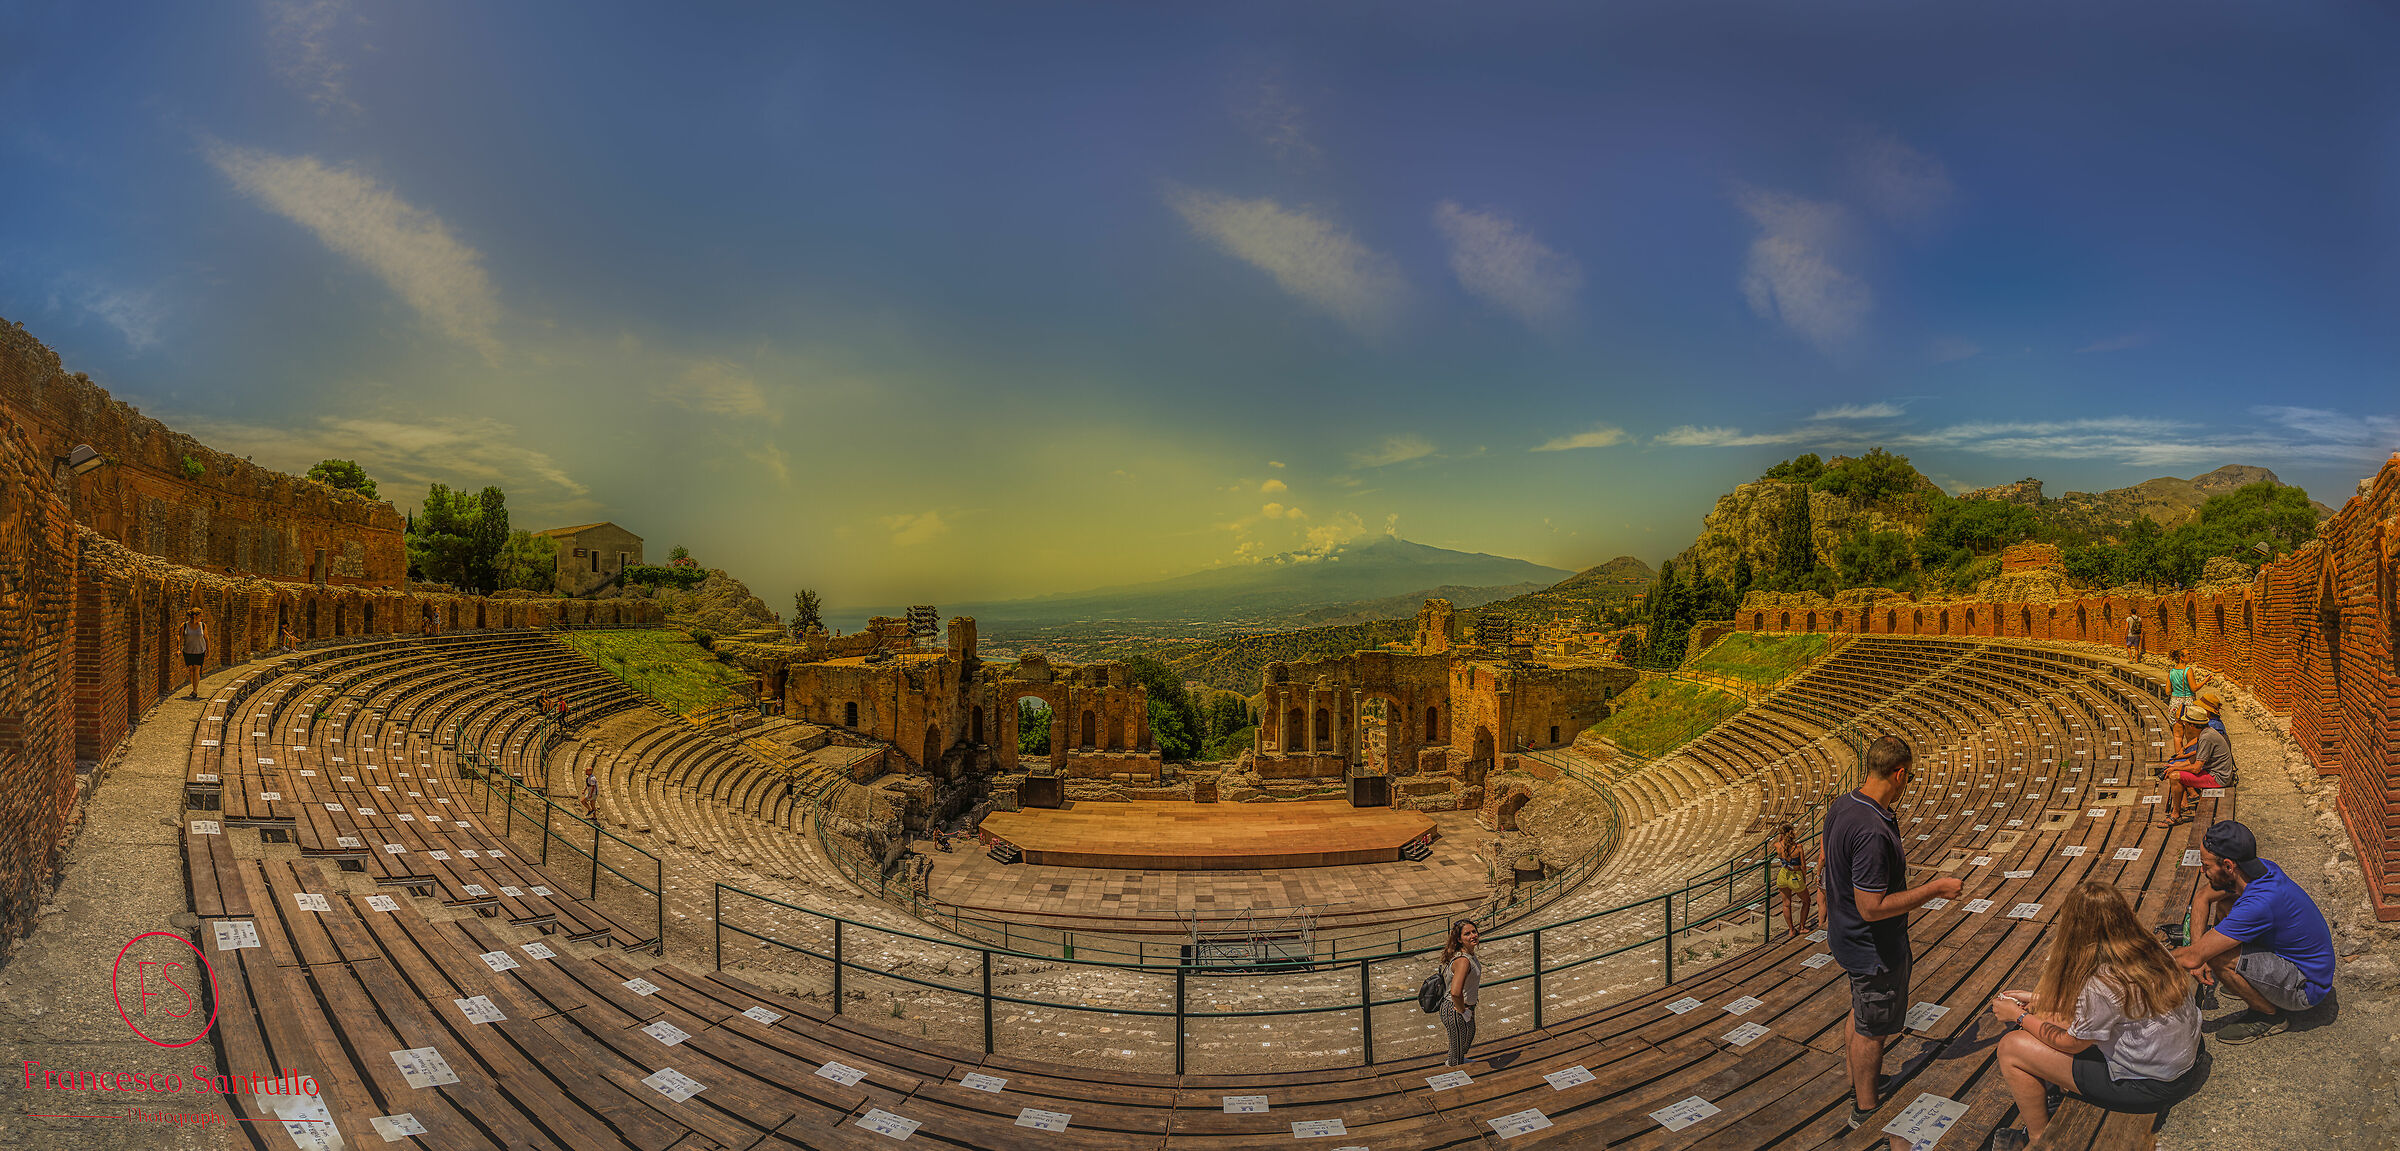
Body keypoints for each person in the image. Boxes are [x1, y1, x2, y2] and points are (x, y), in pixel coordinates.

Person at [1986, 881, 2207, 1149]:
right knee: (2046, 1015)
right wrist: (2037, 1000)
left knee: (2011, 1048)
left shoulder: (2101, 981)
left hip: (2149, 1085)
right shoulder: (2149, 947)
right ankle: (2053, 1095)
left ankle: (2038, 1139)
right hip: (2182, 1061)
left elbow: (2072, 1043)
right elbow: (2110, 1008)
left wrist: (2018, 1017)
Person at [1823, 735, 1963, 1128]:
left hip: (1847, 937)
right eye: (1911, 777)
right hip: (1873, 948)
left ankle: (1857, 1083)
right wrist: (1935, 889)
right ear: (1899, 774)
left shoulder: (1845, 804)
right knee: (1872, 1030)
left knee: (1861, 1012)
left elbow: (1825, 855)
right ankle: (1864, 1110)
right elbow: (1871, 907)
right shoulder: (1871, 830)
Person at [2171, 821, 2335, 1043]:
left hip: (2306, 987)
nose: (2202, 870)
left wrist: (2141, 961)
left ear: (2228, 866)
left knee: (2218, 957)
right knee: (2225, 904)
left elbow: (2192, 957)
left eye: (2206, 865)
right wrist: (2199, 956)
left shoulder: (2259, 904)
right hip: (2299, 962)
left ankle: (2269, 1016)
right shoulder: (2259, 870)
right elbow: (2202, 897)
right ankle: (2251, 983)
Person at [2154, 703, 2235, 829]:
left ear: (2191, 725)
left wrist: (2175, 768)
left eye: (2186, 723)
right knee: (2175, 769)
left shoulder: (2206, 737)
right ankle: (2182, 805)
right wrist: (2175, 764)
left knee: (2174, 776)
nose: (2184, 725)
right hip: (2215, 772)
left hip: (2218, 778)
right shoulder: (2206, 733)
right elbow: (2195, 758)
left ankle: (2176, 815)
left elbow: (2196, 768)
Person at [1437, 920, 1482, 1066]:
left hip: (1464, 1007)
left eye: (1474, 931)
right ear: (1459, 939)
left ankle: (1459, 1061)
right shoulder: (1463, 961)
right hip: (1455, 1008)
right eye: (1467, 934)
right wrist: (1463, 1011)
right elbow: (1455, 992)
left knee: (1467, 1037)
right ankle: (1454, 1070)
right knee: (1456, 1050)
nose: (1473, 935)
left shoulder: (1469, 955)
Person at [1770, 822, 1813, 941]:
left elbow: (1781, 844)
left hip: (1783, 875)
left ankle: (1791, 930)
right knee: (1807, 901)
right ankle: (1802, 927)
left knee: (1786, 904)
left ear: (1781, 834)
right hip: (1795, 875)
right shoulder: (1798, 847)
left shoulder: (1777, 845)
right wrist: (1804, 877)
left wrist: (1781, 837)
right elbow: (1803, 865)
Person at [2164, 651, 2206, 756]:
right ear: (2182, 658)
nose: (2191, 655)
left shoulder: (2172, 671)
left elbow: (2167, 691)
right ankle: (2190, 758)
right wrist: (2205, 681)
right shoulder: (2188, 670)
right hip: (2187, 703)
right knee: (2191, 736)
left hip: (2174, 703)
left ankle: (2178, 757)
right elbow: (2194, 688)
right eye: (2188, 654)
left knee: (2177, 735)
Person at [181, 607, 208, 699]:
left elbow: (206, 638)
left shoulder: (202, 625)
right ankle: (193, 687)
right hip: (188, 650)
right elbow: (179, 636)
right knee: (191, 670)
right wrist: (178, 648)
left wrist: (208, 650)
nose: (202, 617)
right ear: (195, 616)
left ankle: (195, 690)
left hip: (200, 650)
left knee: (196, 669)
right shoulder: (184, 625)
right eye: (200, 616)